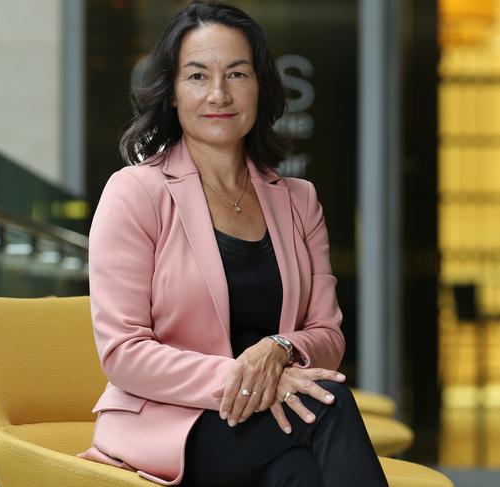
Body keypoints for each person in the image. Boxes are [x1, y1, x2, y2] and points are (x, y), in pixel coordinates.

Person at [77, 1, 388, 486]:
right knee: (327, 407)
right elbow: (124, 351)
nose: (218, 93)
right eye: (197, 77)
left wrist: (278, 349)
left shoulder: (299, 201)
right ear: (173, 93)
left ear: (261, 88)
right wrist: (254, 381)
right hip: (173, 424)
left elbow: (328, 337)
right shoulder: (136, 192)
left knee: (298, 472)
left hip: (274, 427)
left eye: (237, 74)